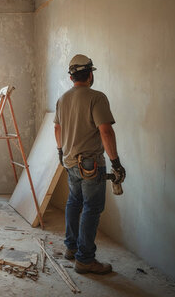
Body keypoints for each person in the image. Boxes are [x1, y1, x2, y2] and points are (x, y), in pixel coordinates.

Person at [54, 54, 126, 275]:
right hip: (90, 163)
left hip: (69, 160)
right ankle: (85, 260)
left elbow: (56, 129)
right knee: (92, 208)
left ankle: (71, 248)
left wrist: (60, 151)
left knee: (74, 203)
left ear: (71, 77)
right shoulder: (97, 97)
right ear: (90, 75)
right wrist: (116, 162)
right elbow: (105, 130)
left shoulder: (63, 99)